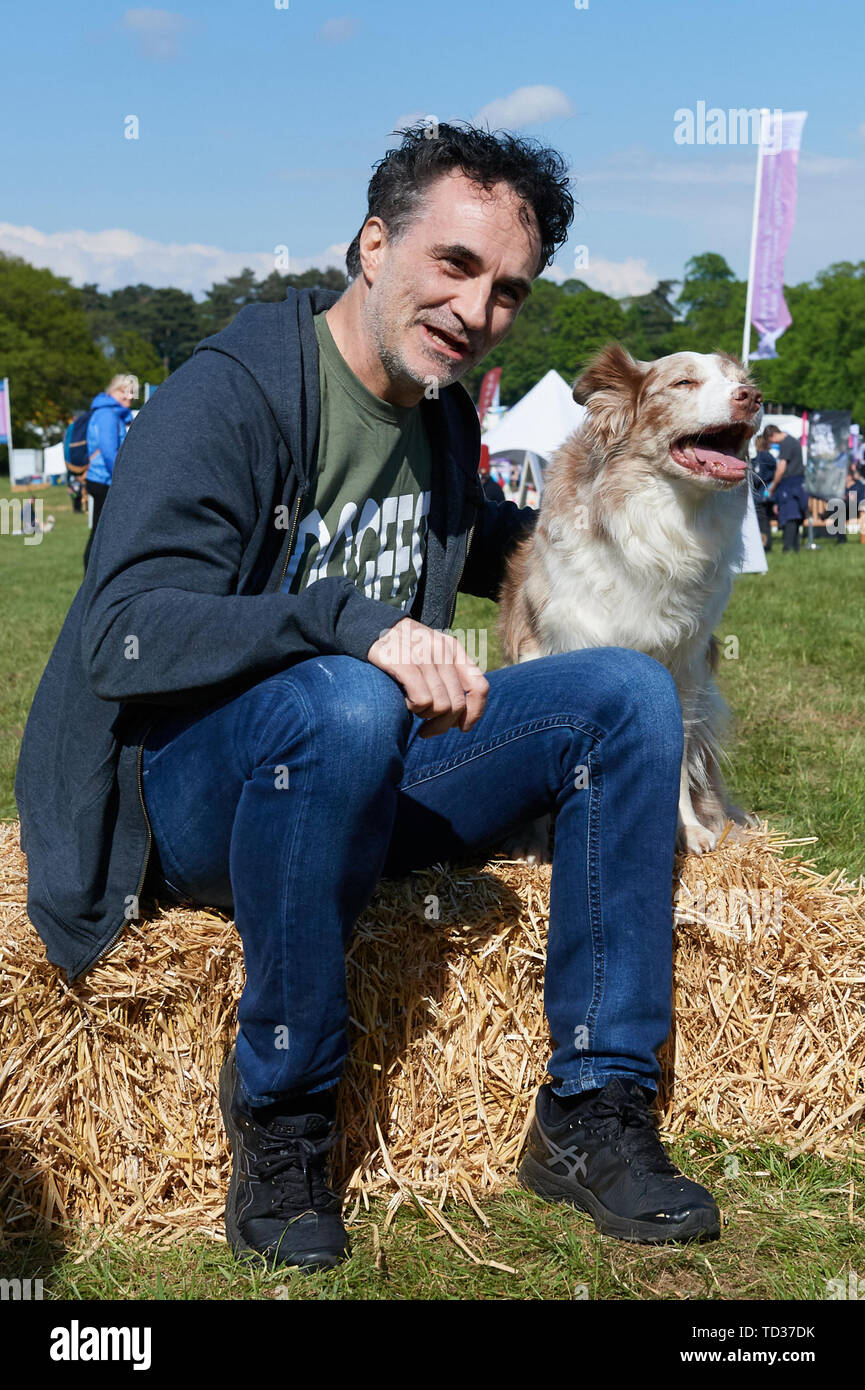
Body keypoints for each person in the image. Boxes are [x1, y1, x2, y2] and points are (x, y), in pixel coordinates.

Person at [15, 123, 719, 1273]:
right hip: (199, 796)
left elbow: (491, 543)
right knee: (343, 698)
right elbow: (125, 630)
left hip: (369, 766)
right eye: (452, 263)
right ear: (373, 240)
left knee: (626, 696)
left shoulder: (440, 411)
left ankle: (594, 1110)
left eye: (506, 291)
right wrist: (349, 623)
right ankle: (286, 1126)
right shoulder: (229, 396)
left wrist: (636, 532)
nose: (475, 308)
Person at [82, 373, 138, 570]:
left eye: (133, 392)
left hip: (102, 479)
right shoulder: (108, 414)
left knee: (102, 532)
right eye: (125, 391)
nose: (130, 396)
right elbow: (109, 453)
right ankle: (92, 579)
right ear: (114, 391)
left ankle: (94, 577)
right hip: (104, 481)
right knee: (101, 534)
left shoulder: (112, 413)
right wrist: (123, 481)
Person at [765, 424, 809, 552]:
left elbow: (781, 467)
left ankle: (788, 547)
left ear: (772, 435)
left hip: (789, 484)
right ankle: (795, 547)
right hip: (798, 482)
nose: (772, 444)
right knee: (795, 516)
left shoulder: (785, 443)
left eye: (770, 441)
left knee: (789, 514)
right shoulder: (793, 440)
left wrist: (773, 486)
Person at [750, 431, 777, 552]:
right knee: (766, 520)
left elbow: (757, 476)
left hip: (760, 495)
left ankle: (764, 545)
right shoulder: (771, 457)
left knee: (762, 521)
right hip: (769, 494)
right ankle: (767, 543)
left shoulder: (761, 457)